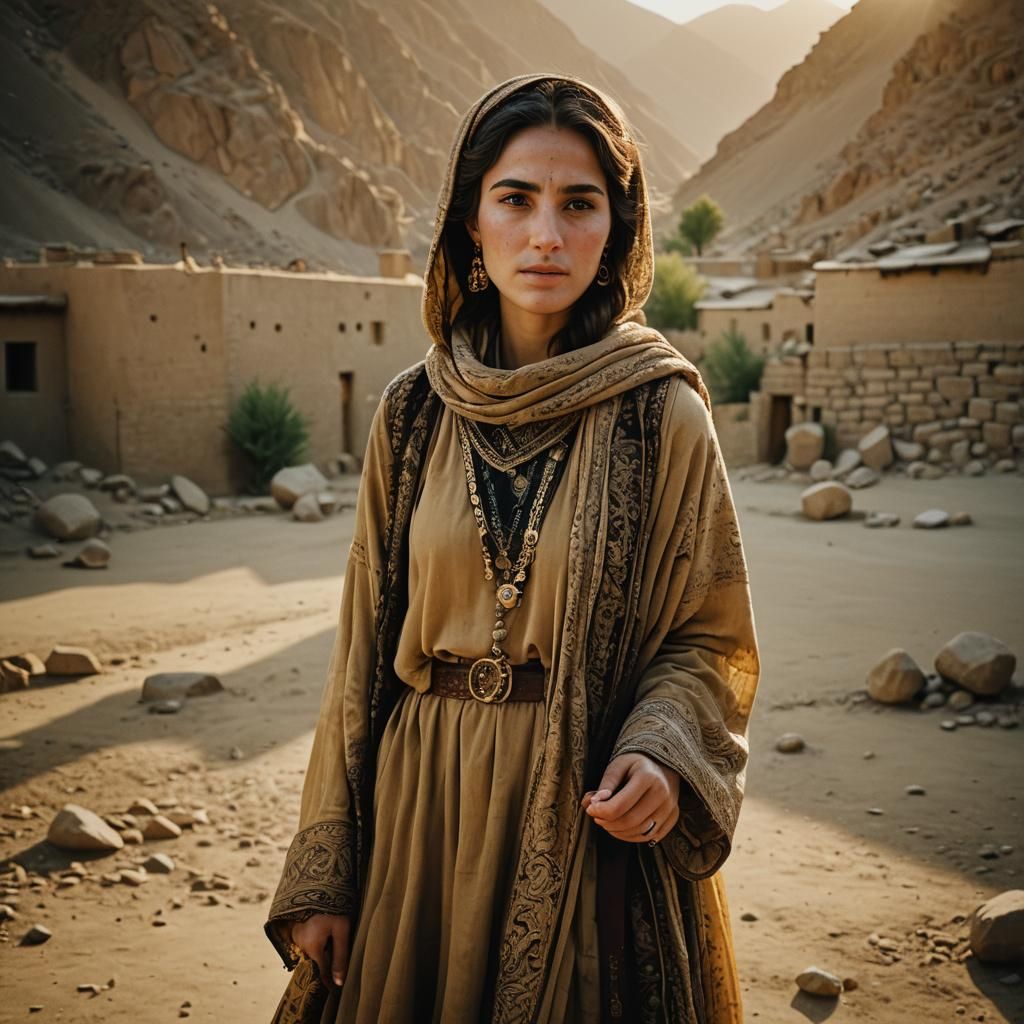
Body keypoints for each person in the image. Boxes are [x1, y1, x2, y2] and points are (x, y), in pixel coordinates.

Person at [264, 73, 760, 1024]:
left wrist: (661, 754)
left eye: (581, 205)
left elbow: (712, 637)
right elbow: (360, 650)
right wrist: (327, 867)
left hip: (584, 819)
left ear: (618, 229)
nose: (547, 235)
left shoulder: (664, 413)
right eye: (516, 200)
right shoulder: (412, 414)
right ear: (470, 226)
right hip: (422, 817)